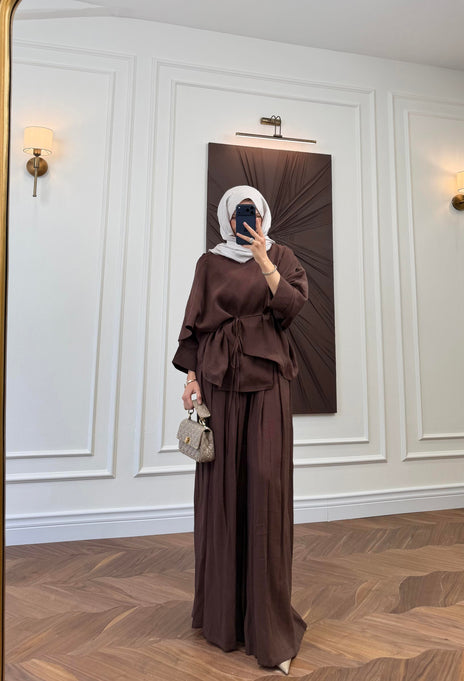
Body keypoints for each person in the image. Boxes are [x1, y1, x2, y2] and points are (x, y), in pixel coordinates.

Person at [172, 185, 309, 674]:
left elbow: (291, 308)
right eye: (238, 213)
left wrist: (263, 258)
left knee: (266, 489)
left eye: (252, 211)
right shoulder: (208, 263)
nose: (245, 219)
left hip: (267, 379)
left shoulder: (282, 256)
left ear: (263, 215)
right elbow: (193, 326)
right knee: (222, 492)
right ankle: (222, 618)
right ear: (226, 217)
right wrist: (191, 380)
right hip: (217, 380)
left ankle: (268, 626)